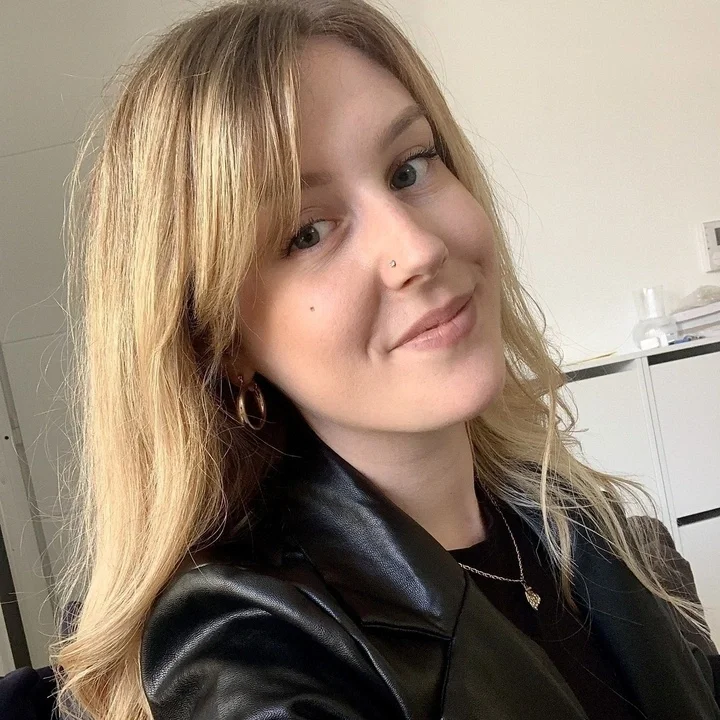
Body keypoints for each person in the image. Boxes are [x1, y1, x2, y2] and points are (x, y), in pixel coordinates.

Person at [4, 0, 715, 718]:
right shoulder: (251, 649)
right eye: (307, 233)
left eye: (409, 169)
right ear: (222, 341)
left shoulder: (584, 523)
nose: (419, 249)